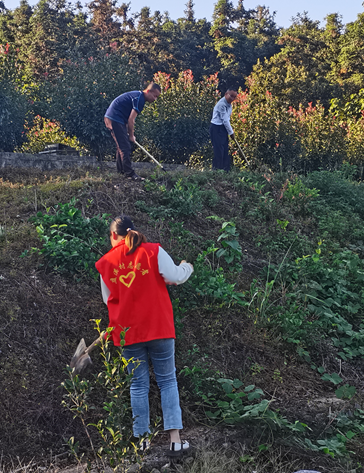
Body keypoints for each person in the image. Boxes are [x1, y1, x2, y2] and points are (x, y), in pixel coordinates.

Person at [95, 215, 194, 457]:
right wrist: (187, 267)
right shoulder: (153, 251)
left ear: (112, 236)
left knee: (138, 385)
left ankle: (141, 442)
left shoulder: (106, 263)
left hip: (128, 332)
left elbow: (107, 300)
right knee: (167, 381)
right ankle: (175, 442)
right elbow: (175, 276)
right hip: (159, 326)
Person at [104, 84, 162, 180]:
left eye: (157, 97)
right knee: (125, 147)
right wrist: (131, 135)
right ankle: (129, 174)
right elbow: (131, 120)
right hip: (115, 118)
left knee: (121, 146)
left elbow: (127, 117)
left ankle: (121, 172)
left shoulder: (138, 95)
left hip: (113, 118)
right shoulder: (140, 99)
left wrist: (126, 130)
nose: (155, 99)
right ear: (148, 91)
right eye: (154, 95)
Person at [210, 88, 238, 171]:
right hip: (216, 128)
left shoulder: (229, 104)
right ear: (226, 94)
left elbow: (228, 119)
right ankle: (217, 171)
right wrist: (231, 132)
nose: (232, 99)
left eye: (234, 97)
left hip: (223, 129)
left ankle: (226, 171)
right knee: (219, 150)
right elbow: (225, 120)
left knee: (225, 149)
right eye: (231, 96)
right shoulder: (221, 104)